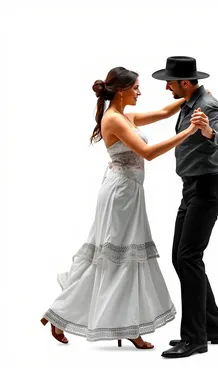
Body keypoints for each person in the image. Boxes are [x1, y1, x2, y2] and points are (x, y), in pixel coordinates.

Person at [40, 66, 205, 350]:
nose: (140, 92)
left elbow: (165, 113)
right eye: (136, 88)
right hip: (120, 194)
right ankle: (66, 315)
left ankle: (125, 325)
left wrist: (195, 94)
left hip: (130, 192)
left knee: (125, 256)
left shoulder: (125, 117)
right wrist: (190, 131)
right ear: (121, 90)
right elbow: (149, 153)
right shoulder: (113, 120)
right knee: (117, 257)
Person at [152, 56, 218, 358]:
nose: (166, 87)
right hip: (192, 189)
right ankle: (213, 329)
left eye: (170, 82)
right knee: (182, 258)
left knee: (188, 257)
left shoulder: (207, 107)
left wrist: (210, 134)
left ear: (185, 84)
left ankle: (195, 339)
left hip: (207, 189)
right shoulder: (192, 102)